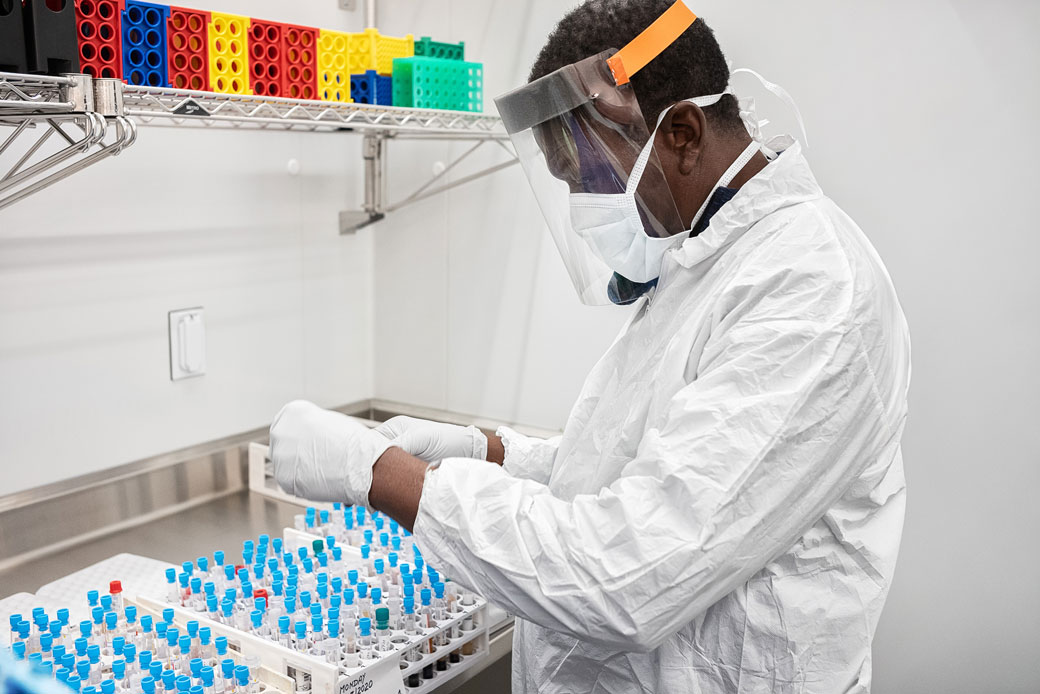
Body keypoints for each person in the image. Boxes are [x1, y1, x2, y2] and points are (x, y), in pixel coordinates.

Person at [269, 1, 911, 692]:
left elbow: (626, 573)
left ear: (684, 134)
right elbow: (636, 467)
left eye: (586, 178)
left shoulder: (810, 290)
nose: (582, 208)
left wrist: (378, 473)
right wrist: (491, 451)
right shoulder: (708, 260)